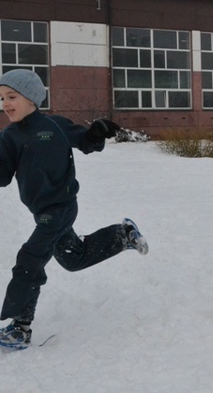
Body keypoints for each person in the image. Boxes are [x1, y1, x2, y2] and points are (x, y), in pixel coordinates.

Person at [0, 69, 148, 350]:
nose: (5, 104)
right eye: (2, 98)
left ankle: (20, 327)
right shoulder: (8, 137)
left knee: (29, 260)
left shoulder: (54, 126)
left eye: (12, 96)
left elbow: (86, 142)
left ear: (32, 98)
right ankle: (121, 235)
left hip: (61, 207)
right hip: (40, 210)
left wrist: (96, 132)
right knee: (73, 259)